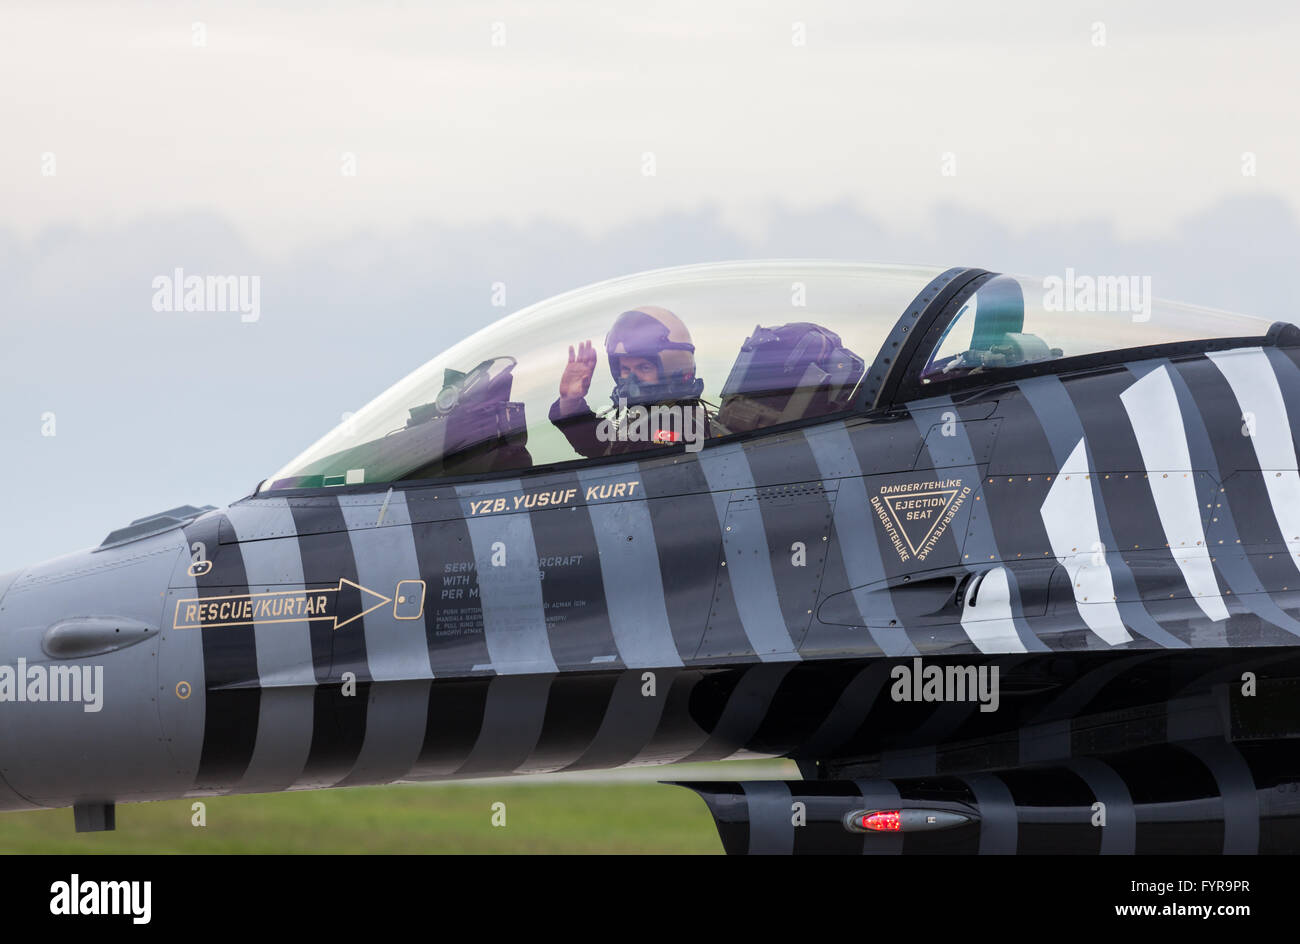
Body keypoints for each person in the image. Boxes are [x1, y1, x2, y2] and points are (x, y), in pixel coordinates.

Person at [549, 306, 724, 458]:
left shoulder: (682, 427)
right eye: (625, 369)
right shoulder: (642, 420)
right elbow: (601, 445)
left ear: (674, 369)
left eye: (644, 367)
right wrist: (570, 401)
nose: (631, 379)